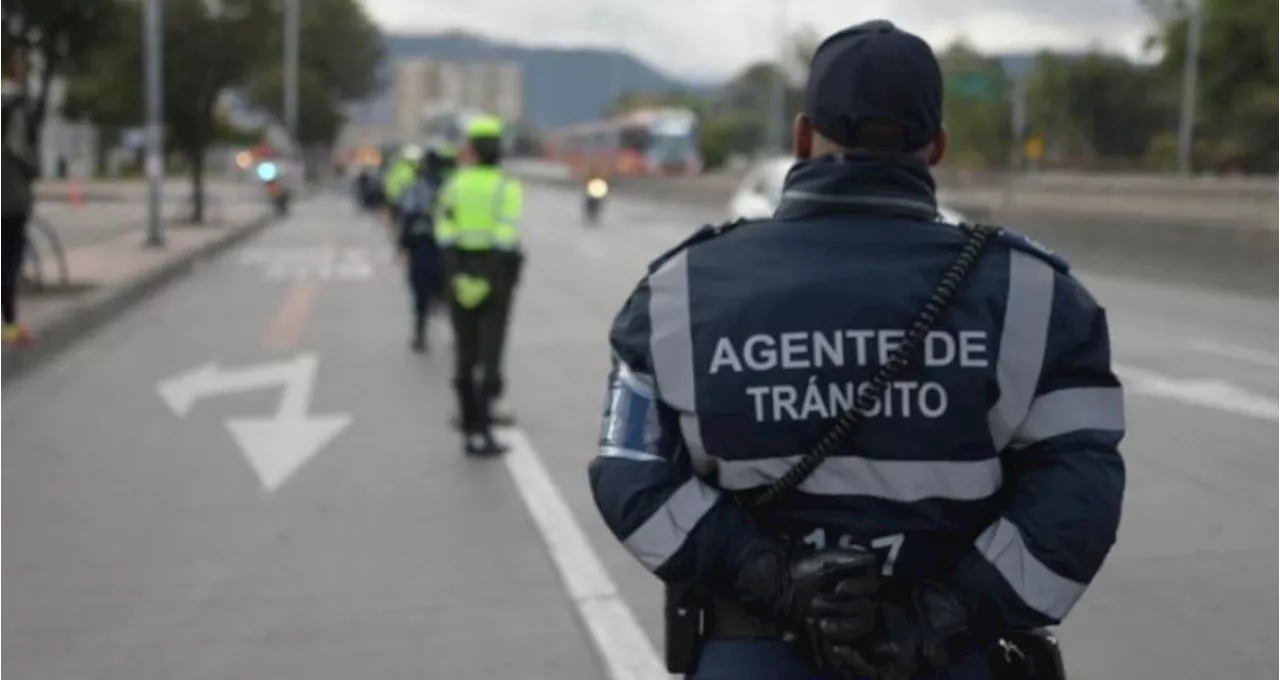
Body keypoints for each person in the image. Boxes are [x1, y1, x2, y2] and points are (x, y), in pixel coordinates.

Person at [588, 20, 1125, 680]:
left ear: (803, 136)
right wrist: (947, 614)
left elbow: (629, 474)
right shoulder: (1035, 294)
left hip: (751, 656)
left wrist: (768, 577)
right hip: (944, 662)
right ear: (936, 148)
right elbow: (1081, 494)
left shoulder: (677, 290)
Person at [434, 115, 524, 456]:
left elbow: (443, 232)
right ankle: (485, 433)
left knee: (464, 356)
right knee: (490, 358)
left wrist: (458, 274)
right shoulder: (507, 188)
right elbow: (506, 238)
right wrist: (490, 277)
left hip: (459, 275)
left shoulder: (454, 185)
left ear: (471, 149)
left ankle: (468, 430)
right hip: (495, 280)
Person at [397, 148, 447, 353]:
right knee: (441, 290)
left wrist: (403, 245)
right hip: (440, 246)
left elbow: (407, 218)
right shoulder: (449, 186)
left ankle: (420, 334)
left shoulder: (415, 188)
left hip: (424, 246)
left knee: (420, 293)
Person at [0, 84, 35, 347]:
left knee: (7, 271)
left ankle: (11, 326)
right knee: (7, 270)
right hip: (10, 212)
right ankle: (10, 326)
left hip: (13, 211)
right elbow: (32, 169)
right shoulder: (12, 147)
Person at [382, 145, 422, 226]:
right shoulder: (408, 170)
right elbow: (410, 185)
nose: (418, 163)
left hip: (395, 196)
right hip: (400, 197)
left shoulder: (398, 166)